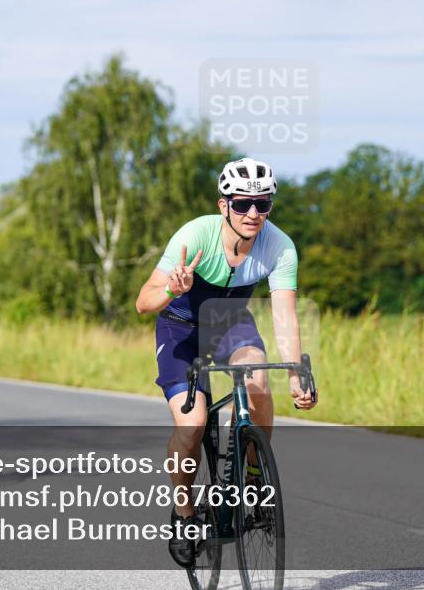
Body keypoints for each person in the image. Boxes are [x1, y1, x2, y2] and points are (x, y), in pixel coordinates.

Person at [135, 157, 318, 567]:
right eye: (242, 204)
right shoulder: (195, 235)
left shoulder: (280, 246)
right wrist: (171, 288)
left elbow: (284, 314)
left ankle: (253, 479)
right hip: (181, 328)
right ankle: (184, 516)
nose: (253, 213)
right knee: (193, 424)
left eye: (263, 204)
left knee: (257, 382)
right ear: (224, 206)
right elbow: (143, 302)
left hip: (232, 324)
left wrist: (295, 373)